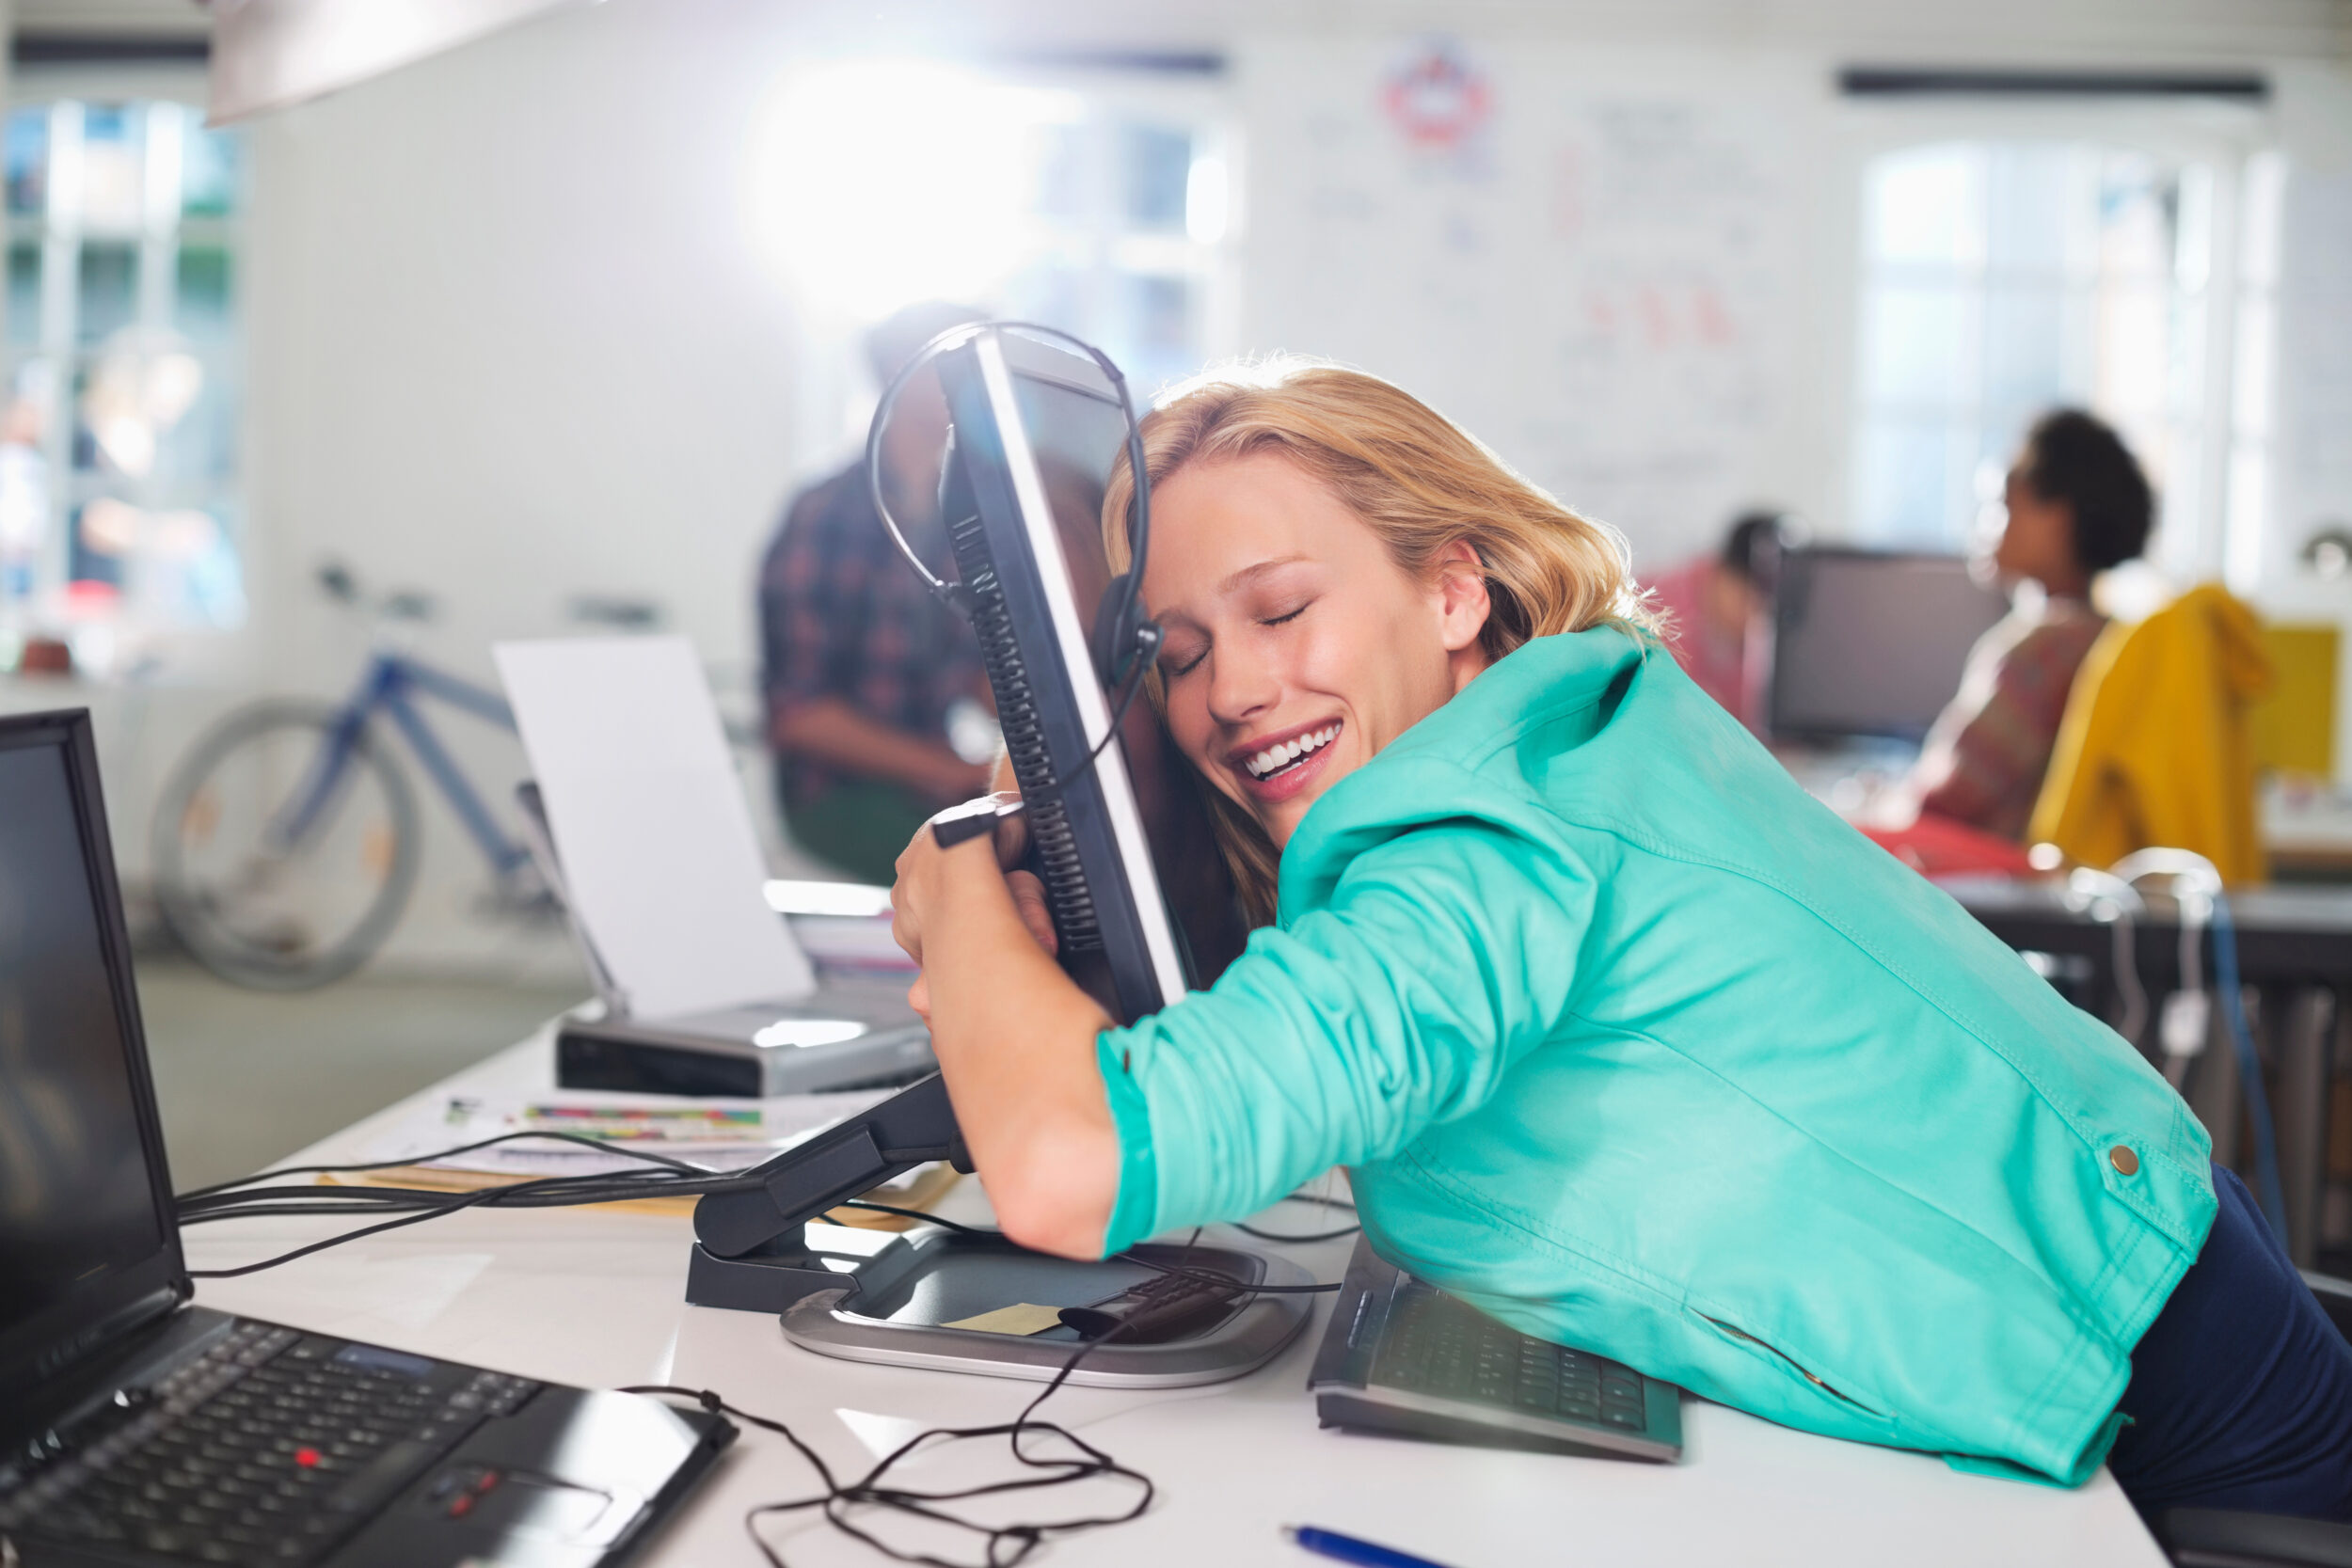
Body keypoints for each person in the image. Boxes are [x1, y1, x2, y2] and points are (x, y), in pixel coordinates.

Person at [888, 360, 2352, 1519]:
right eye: (1185, 654)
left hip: (2171, 1392)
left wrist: (957, 888)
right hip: (2148, 1257)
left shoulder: (1482, 840)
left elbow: (1076, 1165)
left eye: (1280, 607)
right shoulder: (1555, 728)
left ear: (1452, 587)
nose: (1236, 692)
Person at [758, 302, 995, 883]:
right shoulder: (825, 515)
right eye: (955, 364)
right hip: (836, 798)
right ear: (897, 371)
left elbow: (973, 669)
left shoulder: (958, 517)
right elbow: (798, 716)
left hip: (928, 784)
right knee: (989, 880)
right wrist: (952, 769)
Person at [1904, 410, 2153, 842]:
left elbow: (1944, 801)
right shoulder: (2114, 640)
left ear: (2058, 517)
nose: (1985, 525)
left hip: (1985, 890)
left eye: (2003, 504)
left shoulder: (2038, 650)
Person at [1644, 509, 1785, 730]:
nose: (1755, 617)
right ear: (1721, 571)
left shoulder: (1746, 638)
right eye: (1747, 598)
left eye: (1767, 609)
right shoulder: (1652, 606)